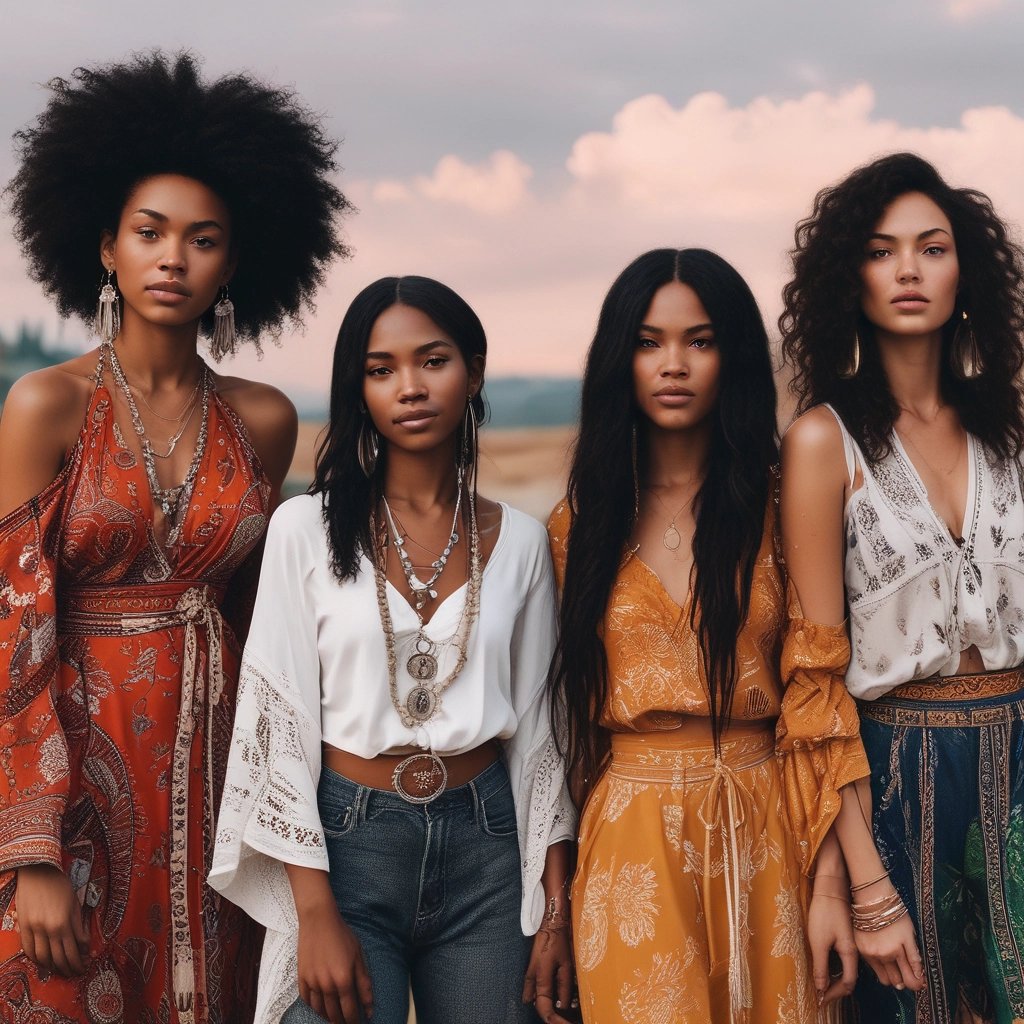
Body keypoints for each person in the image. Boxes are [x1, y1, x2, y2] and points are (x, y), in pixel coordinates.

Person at [0, 52, 348, 1022]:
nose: (172, 258)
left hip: (220, 782)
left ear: (234, 263)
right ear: (104, 245)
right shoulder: (44, 406)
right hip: (74, 781)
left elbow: (268, 620)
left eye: (202, 240)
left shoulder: (265, 422)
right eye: (149, 232)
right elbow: (11, 630)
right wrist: (28, 850)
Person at [210, 275, 577, 1024]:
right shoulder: (303, 531)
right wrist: (313, 913)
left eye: (432, 361)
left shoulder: (523, 544)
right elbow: (276, 722)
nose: (409, 386)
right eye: (381, 370)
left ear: (473, 371)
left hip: (490, 849)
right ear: (360, 390)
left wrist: (557, 911)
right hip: (348, 846)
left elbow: (544, 739)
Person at [547, 248, 825, 1023]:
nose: (674, 364)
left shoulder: (783, 506)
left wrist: (833, 875)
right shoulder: (577, 530)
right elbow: (566, 739)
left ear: (732, 355)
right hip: (631, 839)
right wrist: (558, 913)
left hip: (770, 820)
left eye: (700, 341)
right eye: (648, 342)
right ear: (618, 359)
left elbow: (819, 693)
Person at [780, 151, 1024, 1022]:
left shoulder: (1009, 432)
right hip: (896, 776)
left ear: (968, 273)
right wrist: (864, 884)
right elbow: (814, 680)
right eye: (883, 251)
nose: (910, 270)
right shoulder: (823, 441)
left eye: (932, 247)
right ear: (851, 276)